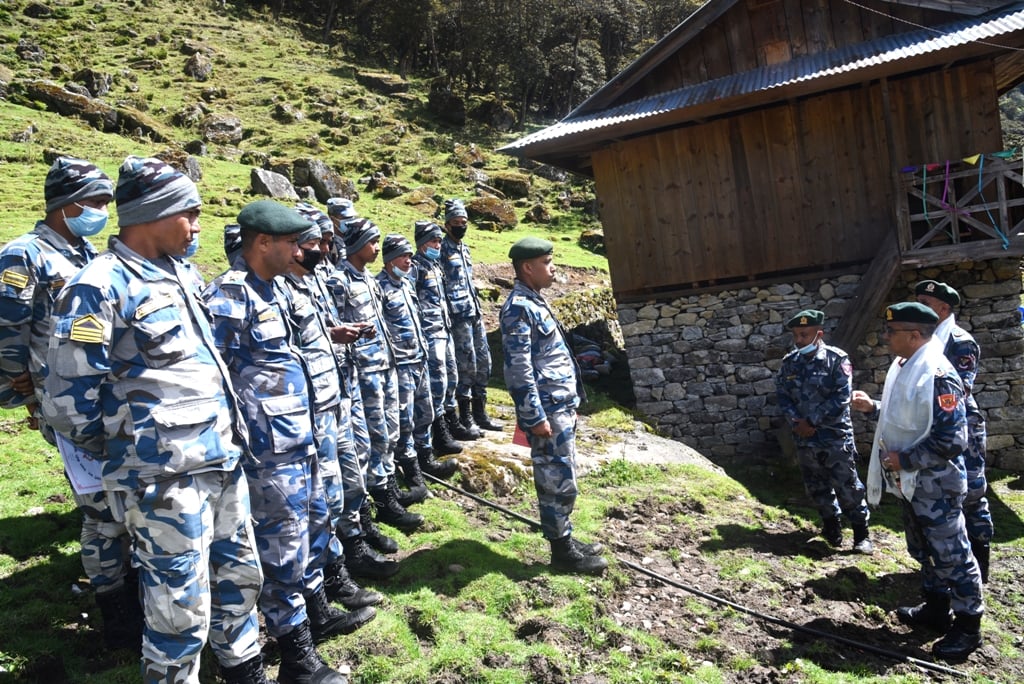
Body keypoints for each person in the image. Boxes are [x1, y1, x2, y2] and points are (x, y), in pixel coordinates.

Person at [41, 156, 272, 684]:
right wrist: (132, 448)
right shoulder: (98, 285)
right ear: (153, 213)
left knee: (239, 583)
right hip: (162, 484)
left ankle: (246, 673)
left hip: (219, 462)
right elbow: (66, 400)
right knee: (178, 615)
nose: (196, 226)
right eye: (188, 214)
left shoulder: (183, 276)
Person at [203, 200, 374, 684]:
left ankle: (307, 632)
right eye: (292, 242)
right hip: (265, 455)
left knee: (300, 542)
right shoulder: (229, 298)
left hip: (298, 442)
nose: (302, 250)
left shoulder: (274, 292)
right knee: (280, 552)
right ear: (263, 243)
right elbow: (214, 381)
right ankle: (297, 661)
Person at [0, 157, 142, 651]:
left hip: (106, 401)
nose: (104, 210)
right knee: (101, 510)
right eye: (97, 202)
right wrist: (21, 391)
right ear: (67, 204)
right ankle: (115, 608)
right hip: (64, 406)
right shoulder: (24, 254)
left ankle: (133, 586)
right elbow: (8, 330)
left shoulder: (84, 253)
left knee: (123, 499)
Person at [851, 302, 984, 662]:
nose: (886, 337)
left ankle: (969, 626)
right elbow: (909, 414)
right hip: (913, 483)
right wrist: (873, 408)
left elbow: (953, 438)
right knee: (925, 549)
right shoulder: (906, 366)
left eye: (893, 332)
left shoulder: (939, 373)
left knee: (952, 553)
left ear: (913, 335)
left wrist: (905, 459)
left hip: (935, 484)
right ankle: (937, 608)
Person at [282, 204, 384, 611]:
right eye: (314, 243)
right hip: (308, 410)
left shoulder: (312, 282)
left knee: (346, 484)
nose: (323, 249)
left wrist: (337, 334)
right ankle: (329, 580)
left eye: (326, 242)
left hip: (336, 393)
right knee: (321, 500)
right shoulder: (273, 288)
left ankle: (348, 554)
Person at [499, 237, 607, 575]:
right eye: (547, 262)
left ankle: (567, 538)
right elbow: (519, 368)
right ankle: (562, 553)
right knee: (554, 479)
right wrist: (534, 417)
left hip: (559, 405)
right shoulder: (518, 307)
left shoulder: (534, 301)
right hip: (545, 411)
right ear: (527, 267)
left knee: (565, 476)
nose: (554, 267)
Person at [328, 218, 423, 531]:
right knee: (375, 437)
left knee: (391, 431)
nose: (375, 249)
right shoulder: (339, 280)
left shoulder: (368, 279)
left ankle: (388, 488)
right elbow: (335, 331)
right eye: (371, 243)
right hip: (363, 371)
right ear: (356, 245)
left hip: (386, 364)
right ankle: (381, 500)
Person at [775, 309, 872, 554]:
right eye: (796, 335)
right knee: (816, 485)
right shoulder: (790, 363)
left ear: (819, 334)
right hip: (804, 437)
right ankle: (831, 528)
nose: (798, 340)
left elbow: (841, 397)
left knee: (847, 484)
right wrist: (797, 422)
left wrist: (812, 422)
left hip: (834, 435)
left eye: (804, 334)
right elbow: (783, 396)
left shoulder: (836, 359)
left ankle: (862, 535)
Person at [915, 280, 993, 583]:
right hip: (930, 428)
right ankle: (947, 565)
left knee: (973, 492)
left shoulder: (960, 342)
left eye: (926, 301)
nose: (921, 306)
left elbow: (960, 388)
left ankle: (980, 561)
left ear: (943, 308)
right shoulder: (922, 338)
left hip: (963, 429)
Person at [440, 198, 502, 436]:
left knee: (484, 362)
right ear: (447, 225)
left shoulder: (464, 249)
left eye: (464, 222)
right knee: (466, 364)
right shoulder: (442, 250)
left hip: (474, 313)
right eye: (456, 222)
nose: (461, 226)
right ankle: (465, 418)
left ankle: (481, 414)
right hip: (457, 317)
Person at [377, 234, 433, 500]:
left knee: (425, 413)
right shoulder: (380, 288)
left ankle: (424, 461)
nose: (409, 261)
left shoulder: (407, 284)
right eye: (403, 256)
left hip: (419, 359)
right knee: (404, 419)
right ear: (389, 260)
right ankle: (410, 473)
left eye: (410, 256)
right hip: (399, 364)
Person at [410, 220, 464, 473]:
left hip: (444, 329)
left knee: (450, 377)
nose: (438, 245)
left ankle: (448, 425)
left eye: (439, 241)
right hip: (429, 334)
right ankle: (437, 434)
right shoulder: (415, 267)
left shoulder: (435, 265)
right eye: (433, 241)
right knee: (436, 382)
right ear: (422, 243)